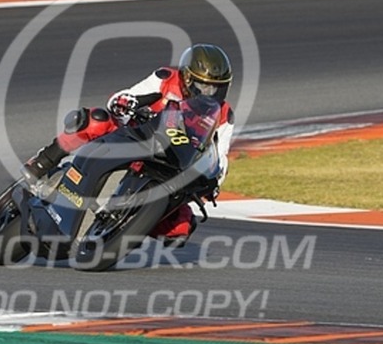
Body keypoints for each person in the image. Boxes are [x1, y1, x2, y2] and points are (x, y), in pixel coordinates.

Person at [22, 43, 235, 243]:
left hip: (170, 164)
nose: (210, 93)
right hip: (133, 136)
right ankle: (43, 162)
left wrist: (215, 180)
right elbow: (127, 95)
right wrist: (125, 102)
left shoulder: (224, 115)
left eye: (216, 88)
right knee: (96, 121)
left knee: (182, 227)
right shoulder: (166, 78)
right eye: (204, 86)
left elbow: (220, 154)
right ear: (187, 78)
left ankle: (127, 227)